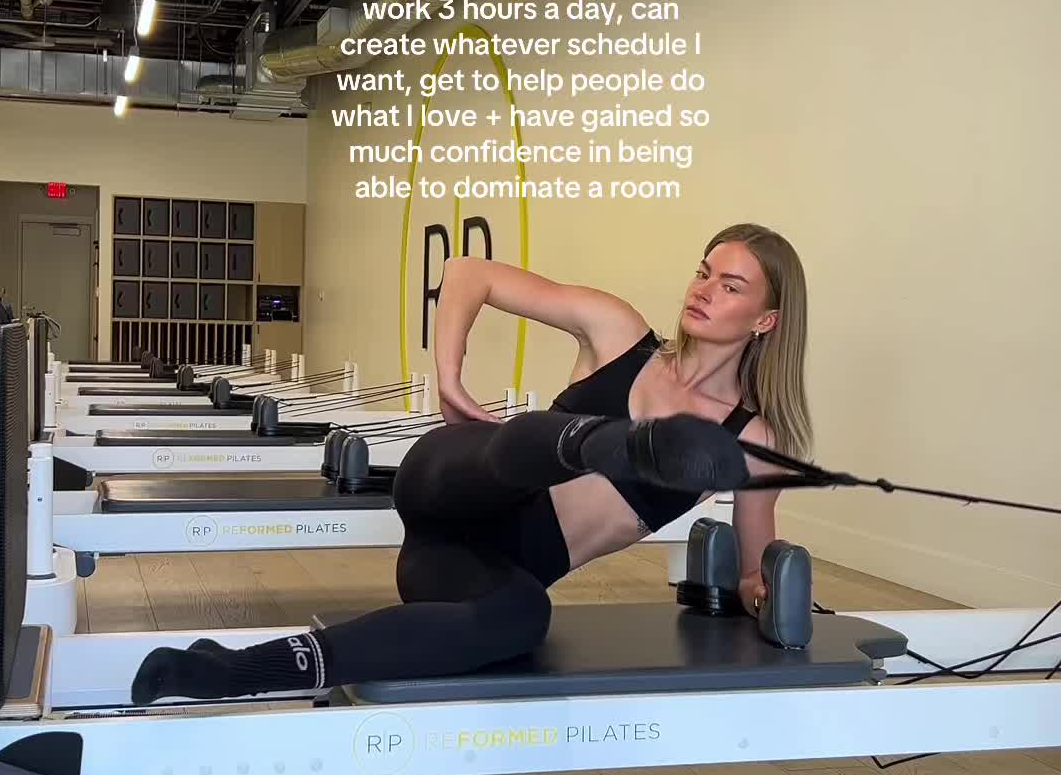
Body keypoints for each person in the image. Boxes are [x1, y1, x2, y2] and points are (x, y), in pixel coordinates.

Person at [131, 221, 810, 705]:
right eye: (703, 272)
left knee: (524, 617)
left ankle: (229, 670)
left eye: (730, 286)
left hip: (460, 564)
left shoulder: (752, 437)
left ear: (766, 321)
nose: (703, 290)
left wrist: (767, 594)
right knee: (527, 450)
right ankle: (593, 444)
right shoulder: (619, 333)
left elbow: (754, 572)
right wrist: (449, 375)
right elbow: (467, 273)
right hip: (454, 480)